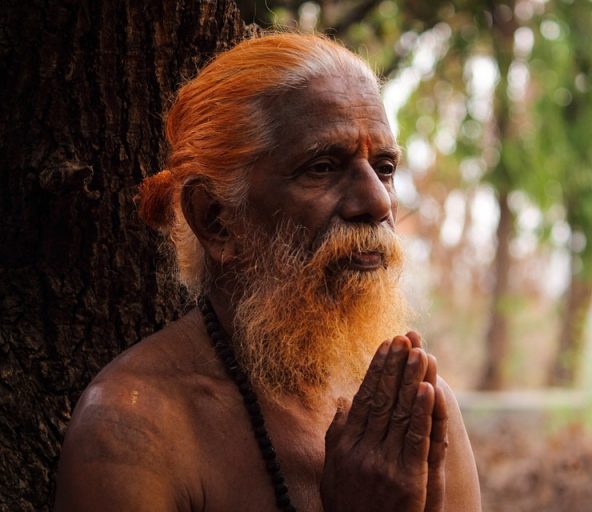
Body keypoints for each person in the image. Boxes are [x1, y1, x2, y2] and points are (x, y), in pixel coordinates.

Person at [54, 32, 482, 512]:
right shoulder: (132, 430)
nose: (378, 202)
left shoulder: (414, 411)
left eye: (384, 167)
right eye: (322, 167)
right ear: (216, 220)